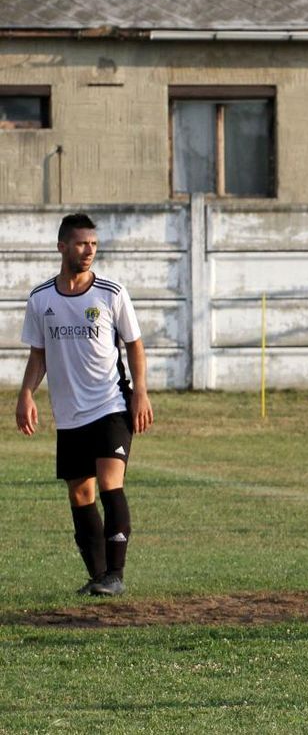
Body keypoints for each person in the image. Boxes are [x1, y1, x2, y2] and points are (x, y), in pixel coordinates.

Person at [15, 213, 153, 597]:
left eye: (93, 244)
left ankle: (116, 574)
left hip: (110, 405)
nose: (89, 250)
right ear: (62, 247)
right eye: (81, 244)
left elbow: (134, 344)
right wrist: (26, 393)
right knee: (80, 494)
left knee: (110, 482)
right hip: (69, 414)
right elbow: (38, 353)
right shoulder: (42, 299)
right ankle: (98, 576)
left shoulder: (111, 292)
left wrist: (140, 391)